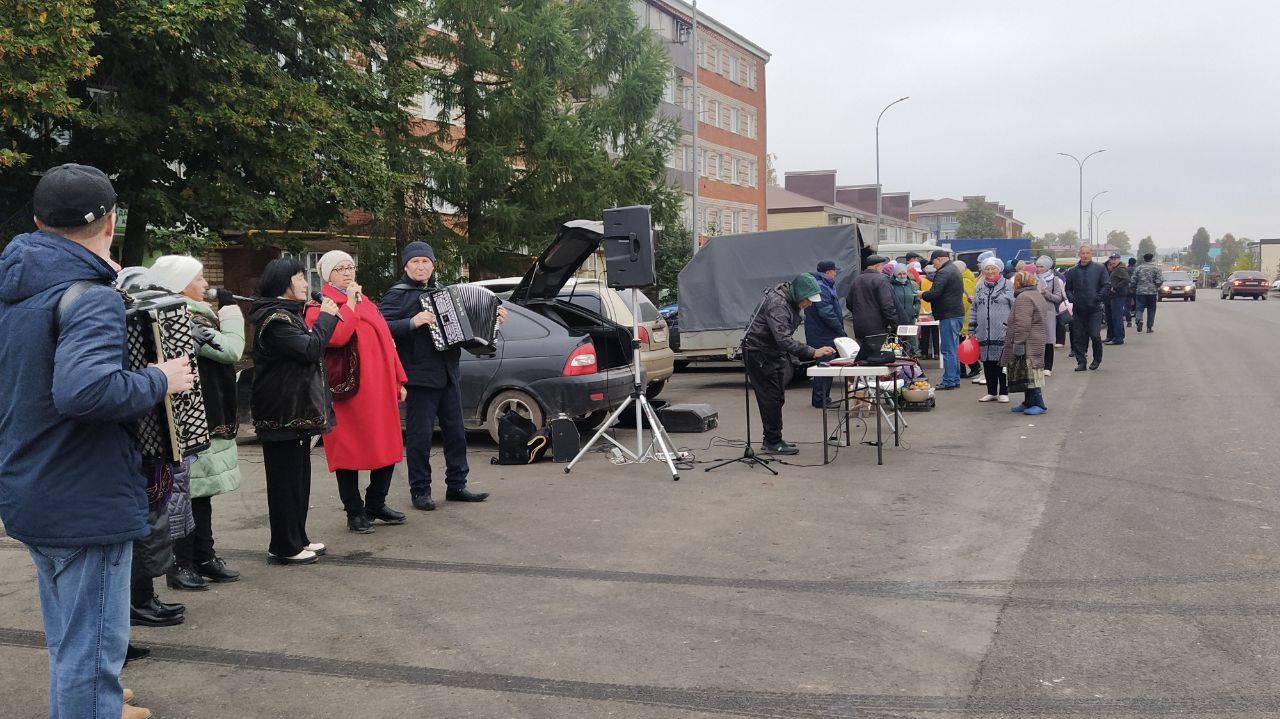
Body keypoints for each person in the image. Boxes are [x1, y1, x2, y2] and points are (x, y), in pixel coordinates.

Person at [0, 163, 193, 719]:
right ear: (111, 221)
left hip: (34, 485)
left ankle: (92, 702)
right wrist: (163, 378)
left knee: (69, 638)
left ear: (38, 222)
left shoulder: (17, 294)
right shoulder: (90, 296)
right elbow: (84, 392)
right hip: (85, 496)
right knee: (91, 651)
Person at [148, 255, 246, 591]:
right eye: (199, 278)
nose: (207, 285)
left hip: (206, 415)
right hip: (189, 421)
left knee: (200, 492)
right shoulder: (182, 319)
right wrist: (232, 312)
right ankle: (181, 564)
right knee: (184, 494)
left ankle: (204, 555)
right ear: (179, 285)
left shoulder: (197, 315)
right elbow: (231, 350)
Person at [380, 242, 499, 510]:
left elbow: (466, 334)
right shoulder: (396, 295)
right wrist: (412, 322)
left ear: (433, 265)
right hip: (419, 377)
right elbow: (381, 328)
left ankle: (457, 484)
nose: (421, 267)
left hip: (449, 373)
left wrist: (494, 322)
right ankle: (420, 490)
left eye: (425, 262)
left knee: (456, 433)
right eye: (415, 262)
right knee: (420, 438)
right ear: (405, 266)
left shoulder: (444, 293)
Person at [304, 250, 410, 534]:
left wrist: (399, 380)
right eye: (340, 269)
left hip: (380, 388)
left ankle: (376, 503)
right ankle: (354, 511)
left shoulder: (368, 303)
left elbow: (388, 342)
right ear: (327, 275)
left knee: (386, 448)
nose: (348, 273)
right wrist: (349, 302)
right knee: (349, 454)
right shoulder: (321, 306)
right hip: (348, 393)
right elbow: (336, 338)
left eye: (350, 267)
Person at [251, 258, 340, 565]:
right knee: (285, 483)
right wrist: (327, 318)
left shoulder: (288, 315)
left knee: (299, 479)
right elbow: (310, 350)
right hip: (280, 412)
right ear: (284, 284)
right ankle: (284, 546)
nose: (306, 284)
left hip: (295, 411)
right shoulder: (275, 321)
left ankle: (297, 536)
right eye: (301, 278)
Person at [742, 273, 836, 455]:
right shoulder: (778, 304)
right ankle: (773, 442)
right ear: (800, 294)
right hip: (759, 353)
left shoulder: (788, 300)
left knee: (777, 397)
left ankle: (772, 438)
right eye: (808, 300)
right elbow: (783, 339)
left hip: (771, 352)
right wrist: (812, 352)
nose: (810, 304)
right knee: (771, 398)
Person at [968, 257, 1015, 403]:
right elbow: (974, 308)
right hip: (983, 331)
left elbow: (1014, 306)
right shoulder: (979, 286)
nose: (990, 271)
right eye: (987, 269)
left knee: (1002, 363)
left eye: (992, 268)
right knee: (987, 363)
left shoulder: (1008, 285)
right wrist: (971, 328)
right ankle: (991, 391)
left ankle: (1004, 391)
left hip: (1002, 330)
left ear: (999, 269)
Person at [1002, 271, 1050, 415]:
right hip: (1036, 339)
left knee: (1031, 372)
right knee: (1029, 372)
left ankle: (1039, 404)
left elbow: (1023, 323)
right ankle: (1028, 402)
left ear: (1019, 283)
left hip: (1027, 342)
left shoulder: (1024, 297)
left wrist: (1018, 342)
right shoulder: (1036, 294)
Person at [804, 259, 845, 408]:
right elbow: (826, 313)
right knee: (825, 366)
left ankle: (823, 398)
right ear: (828, 272)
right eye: (835, 271)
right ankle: (820, 400)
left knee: (825, 366)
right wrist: (840, 330)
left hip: (821, 332)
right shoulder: (822, 287)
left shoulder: (823, 285)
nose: (835, 274)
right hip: (823, 334)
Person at [922, 250, 966, 389]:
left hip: (948, 314)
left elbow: (934, 293)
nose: (933, 266)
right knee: (954, 348)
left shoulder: (943, 272)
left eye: (933, 262)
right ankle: (955, 378)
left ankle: (949, 380)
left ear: (939, 259)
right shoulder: (954, 269)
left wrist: (922, 294)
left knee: (948, 349)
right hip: (957, 313)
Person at [845, 254, 899, 361]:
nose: (882, 269)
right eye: (882, 266)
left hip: (859, 325)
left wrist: (859, 313)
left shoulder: (857, 280)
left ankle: (863, 377)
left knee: (863, 357)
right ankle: (874, 378)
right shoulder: (880, 280)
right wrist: (894, 322)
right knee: (876, 359)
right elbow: (887, 305)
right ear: (876, 266)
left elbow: (849, 303)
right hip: (877, 327)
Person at [1064, 245, 1110, 371]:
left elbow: (1106, 285)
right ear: (1079, 254)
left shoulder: (1099, 268)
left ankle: (1097, 359)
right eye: (1083, 253)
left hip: (1094, 308)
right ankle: (1081, 362)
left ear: (1091, 254)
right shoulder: (1072, 271)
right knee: (1078, 336)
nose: (1085, 255)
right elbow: (1067, 288)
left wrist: (1098, 297)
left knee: (1095, 335)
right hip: (1079, 309)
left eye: (1087, 253)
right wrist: (1072, 298)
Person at [890, 264, 921, 357]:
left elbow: (917, 300)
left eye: (904, 273)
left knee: (911, 339)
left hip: (910, 317)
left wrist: (915, 310)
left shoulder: (911, 285)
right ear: (895, 274)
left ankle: (913, 356)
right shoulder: (891, 286)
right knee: (898, 339)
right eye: (899, 274)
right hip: (897, 318)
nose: (902, 276)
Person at [1131, 253, 1164, 333]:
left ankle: (1139, 319)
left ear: (1144, 259)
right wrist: (1156, 285)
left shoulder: (1139, 268)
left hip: (1140, 291)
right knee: (1151, 309)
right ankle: (1149, 327)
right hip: (1152, 292)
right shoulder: (1156, 268)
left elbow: (1133, 280)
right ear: (1152, 259)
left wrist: (1133, 288)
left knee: (1139, 308)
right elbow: (1160, 280)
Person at [1104, 252, 1130, 345]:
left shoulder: (1120, 269)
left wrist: (1115, 287)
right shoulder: (1116, 268)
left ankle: (1118, 338)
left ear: (1119, 259)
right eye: (1111, 259)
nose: (1113, 261)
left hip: (1118, 295)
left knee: (1117, 318)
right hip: (1115, 296)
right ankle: (1117, 336)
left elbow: (1126, 279)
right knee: (1115, 317)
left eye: (1115, 259)